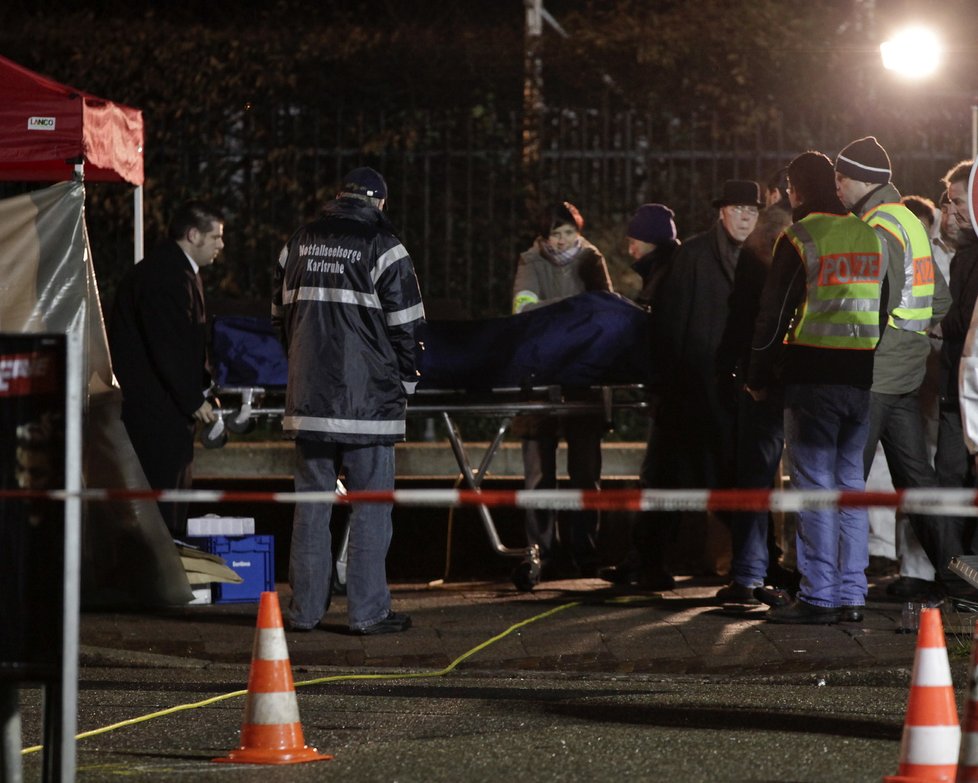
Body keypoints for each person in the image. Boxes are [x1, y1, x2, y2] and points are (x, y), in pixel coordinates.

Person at [273, 166, 424, 634]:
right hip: (369, 404)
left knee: (312, 507)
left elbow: (281, 319)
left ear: (337, 197)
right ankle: (367, 612)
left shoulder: (298, 242)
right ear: (379, 202)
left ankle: (304, 611)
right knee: (371, 507)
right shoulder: (385, 246)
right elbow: (408, 327)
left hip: (309, 399)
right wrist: (407, 384)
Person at [748, 151, 887, 624]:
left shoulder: (800, 235)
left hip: (812, 378)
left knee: (814, 487)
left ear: (797, 189)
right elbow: (882, 304)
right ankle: (852, 594)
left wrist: (757, 375)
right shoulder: (868, 233)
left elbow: (773, 315)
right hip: (859, 379)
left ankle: (818, 595)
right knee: (850, 485)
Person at [833, 137, 951, 603]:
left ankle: (837, 589)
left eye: (840, 180)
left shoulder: (873, 227)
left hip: (875, 373)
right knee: (918, 483)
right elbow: (938, 299)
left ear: (858, 180)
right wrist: (911, 337)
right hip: (907, 372)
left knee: (847, 479)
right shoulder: (907, 218)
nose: (837, 190)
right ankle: (960, 578)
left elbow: (872, 305)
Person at [651, 180, 762, 578]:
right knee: (682, 475)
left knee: (724, 477)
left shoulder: (761, 255)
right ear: (722, 212)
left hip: (735, 388)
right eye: (739, 210)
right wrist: (670, 382)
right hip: (694, 385)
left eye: (753, 211)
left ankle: (755, 561)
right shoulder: (694, 255)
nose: (747, 218)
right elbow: (672, 322)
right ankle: (650, 561)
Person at [511, 201, 612, 588]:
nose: (564, 239)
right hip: (540, 379)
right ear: (544, 236)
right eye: (557, 233)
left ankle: (585, 553)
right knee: (539, 475)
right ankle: (543, 553)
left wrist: (555, 312)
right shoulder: (530, 261)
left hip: (584, 379)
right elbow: (523, 310)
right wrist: (575, 310)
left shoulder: (592, 258)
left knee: (586, 474)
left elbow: (606, 310)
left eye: (570, 231)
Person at [108, 201, 223, 538]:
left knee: (165, 495)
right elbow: (168, 345)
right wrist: (192, 399)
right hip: (156, 410)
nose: (221, 245)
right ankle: (158, 576)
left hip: (158, 406)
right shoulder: (167, 276)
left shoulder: (171, 271)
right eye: (215, 237)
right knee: (162, 497)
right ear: (193, 235)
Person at [712, 172, 794, 604]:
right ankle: (826, 583)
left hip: (767, 377)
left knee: (756, 476)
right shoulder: (839, 233)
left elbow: (748, 314)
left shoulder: (767, 239)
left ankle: (748, 575)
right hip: (823, 373)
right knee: (821, 478)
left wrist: (740, 370)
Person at [599, 203, 682, 589]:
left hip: (677, 395)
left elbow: (661, 336)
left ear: (648, 242)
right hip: (679, 392)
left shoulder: (666, 276)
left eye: (634, 241)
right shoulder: (667, 270)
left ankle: (646, 564)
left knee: (658, 477)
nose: (629, 249)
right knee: (666, 479)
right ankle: (647, 562)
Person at [933, 160, 978, 598]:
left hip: (967, 398)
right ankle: (957, 580)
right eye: (949, 204)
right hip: (955, 397)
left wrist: (935, 325)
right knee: (948, 481)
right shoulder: (964, 257)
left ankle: (965, 581)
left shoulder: (967, 259)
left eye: (961, 203)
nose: (953, 214)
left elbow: (961, 325)